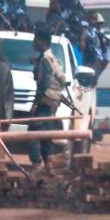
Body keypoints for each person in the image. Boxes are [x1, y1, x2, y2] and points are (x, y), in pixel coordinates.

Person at [30, 28, 67, 167]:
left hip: (46, 99)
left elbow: (43, 84)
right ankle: (49, 163)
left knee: (34, 131)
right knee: (45, 133)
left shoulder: (45, 59)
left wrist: (35, 104)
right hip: (51, 100)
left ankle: (37, 163)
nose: (33, 43)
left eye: (35, 39)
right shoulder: (47, 57)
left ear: (42, 41)